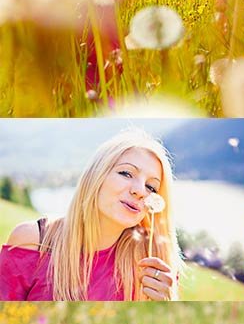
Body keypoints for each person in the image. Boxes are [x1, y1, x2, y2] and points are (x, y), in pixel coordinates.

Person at [0, 129, 179, 301]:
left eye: (151, 187)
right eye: (126, 173)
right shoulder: (32, 241)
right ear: (96, 175)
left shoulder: (152, 264)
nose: (140, 191)